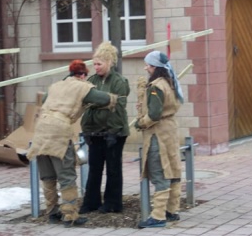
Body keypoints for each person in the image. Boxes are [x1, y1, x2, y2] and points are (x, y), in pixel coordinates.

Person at [26, 59, 118, 228]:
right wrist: (114, 99)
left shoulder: (55, 86)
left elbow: (45, 99)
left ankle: (52, 213)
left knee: (48, 175)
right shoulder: (82, 86)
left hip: (41, 129)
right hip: (59, 130)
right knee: (66, 174)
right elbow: (102, 98)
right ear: (83, 75)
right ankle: (70, 215)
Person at [79, 42, 130, 214]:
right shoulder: (91, 81)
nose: (96, 67)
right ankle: (91, 201)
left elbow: (118, 106)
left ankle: (113, 203)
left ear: (109, 62)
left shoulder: (119, 81)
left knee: (113, 169)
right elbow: (85, 105)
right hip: (95, 132)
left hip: (115, 132)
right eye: (94, 64)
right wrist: (86, 129)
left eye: (99, 64)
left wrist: (113, 131)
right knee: (94, 168)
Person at [135, 50, 184, 228]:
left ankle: (158, 216)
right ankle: (172, 211)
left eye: (148, 64)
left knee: (160, 172)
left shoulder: (156, 86)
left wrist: (141, 123)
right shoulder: (170, 82)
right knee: (173, 170)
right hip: (170, 131)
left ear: (155, 67)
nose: (146, 67)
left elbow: (154, 114)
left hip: (158, 134)